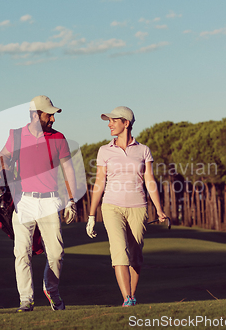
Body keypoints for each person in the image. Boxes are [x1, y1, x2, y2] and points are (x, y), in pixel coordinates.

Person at [0, 95, 77, 312]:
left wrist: (71, 200)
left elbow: (68, 169)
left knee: (56, 253)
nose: (52, 119)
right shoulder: (16, 135)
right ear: (35, 115)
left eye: (53, 114)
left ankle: (51, 289)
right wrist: (6, 167)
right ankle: (26, 299)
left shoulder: (59, 137)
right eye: (48, 114)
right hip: (24, 201)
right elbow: (3, 156)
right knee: (21, 252)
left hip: (51, 200)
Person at [86, 106, 167, 307]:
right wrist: (91, 215)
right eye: (109, 121)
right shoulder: (104, 150)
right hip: (111, 207)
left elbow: (150, 180)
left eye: (113, 120)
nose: (109, 124)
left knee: (136, 255)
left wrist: (159, 208)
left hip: (138, 207)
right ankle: (127, 298)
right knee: (119, 251)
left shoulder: (143, 150)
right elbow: (99, 183)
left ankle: (132, 295)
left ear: (126, 123)